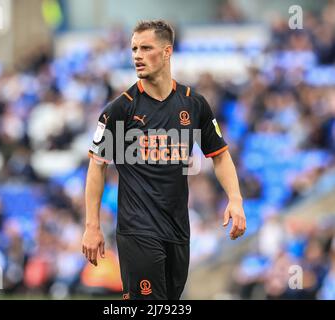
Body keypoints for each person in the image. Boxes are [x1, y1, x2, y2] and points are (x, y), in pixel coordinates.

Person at [82, 20, 246, 300]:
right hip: (137, 230)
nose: (137, 55)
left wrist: (235, 199)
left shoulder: (193, 104)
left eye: (146, 48)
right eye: (134, 48)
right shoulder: (120, 109)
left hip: (178, 230)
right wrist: (92, 226)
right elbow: (97, 166)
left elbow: (220, 156)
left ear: (167, 52)